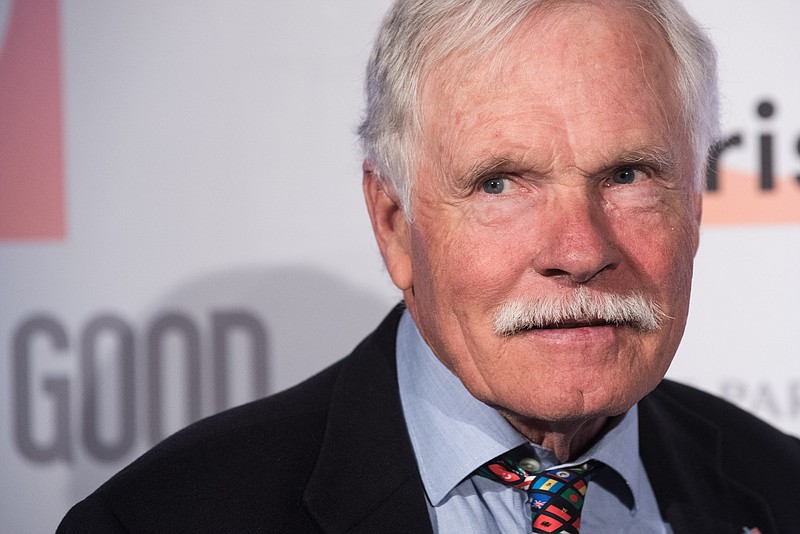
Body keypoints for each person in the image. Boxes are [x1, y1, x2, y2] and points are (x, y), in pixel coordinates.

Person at [58, 0, 800, 532]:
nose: (580, 251)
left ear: (696, 206)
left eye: (630, 176)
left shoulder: (782, 489)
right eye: (499, 183)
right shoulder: (164, 517)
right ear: (394, 225)